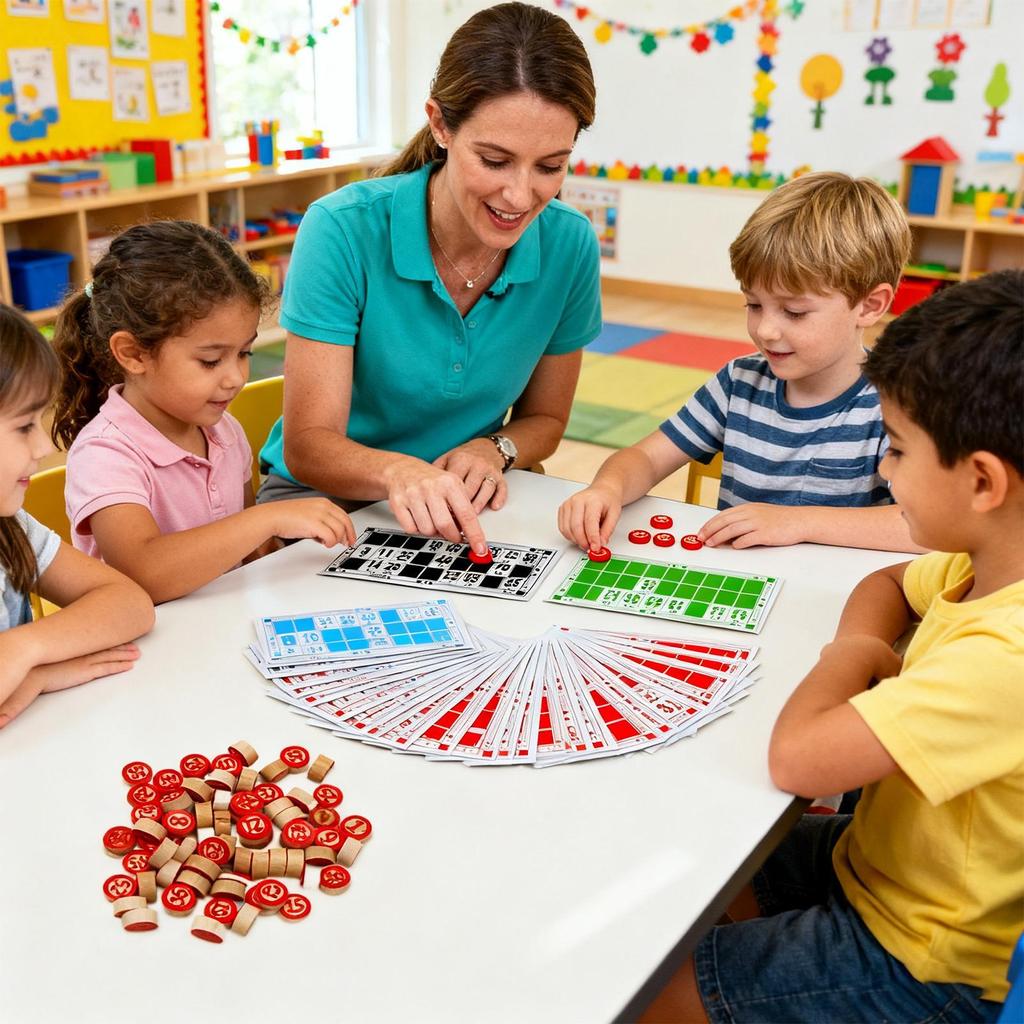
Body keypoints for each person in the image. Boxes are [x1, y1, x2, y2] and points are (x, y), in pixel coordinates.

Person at [639, 270, 1024, 1024]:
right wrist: (865, 640)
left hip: (916, 959)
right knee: (694, 857)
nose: (883, 470)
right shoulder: (986, 562)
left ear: (982, 482)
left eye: (899, 451)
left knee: (637, 993)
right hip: (875, 860)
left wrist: (847, 660)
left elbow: (799, 760)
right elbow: (890, 581)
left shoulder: (1005, 655)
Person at [257, 2, 602, 556]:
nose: (520, 196)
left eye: (549, 166)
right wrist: (401, 473)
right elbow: (308, 446)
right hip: (327, 501)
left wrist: (496, 449)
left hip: (471, 499)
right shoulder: (342, 229)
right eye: (494, 160)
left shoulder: (570, 243)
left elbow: (546, 419)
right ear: (440, 124)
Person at [559, 172, 919, 554]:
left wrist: (798, 521)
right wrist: (607, 488)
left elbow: (925, 528)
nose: (765, 330)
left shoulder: (898, 405)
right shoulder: (738, 383)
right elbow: (646, 457)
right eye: (754, 304)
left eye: (794, 312)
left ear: (869, 306)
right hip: (735, 578)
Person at [51, 221, 354, 604]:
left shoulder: (224, 431)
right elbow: (145, 574)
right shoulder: (106, 454)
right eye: (211, 361)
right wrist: (265, 519)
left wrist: (272, 548)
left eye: (244, 353)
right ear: (133, 353)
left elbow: (247, 551)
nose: (236, 378)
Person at [0, 305, 154, 728]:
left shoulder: (10, 528)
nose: (43, 447)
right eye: (24, 426)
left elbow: (131, 604)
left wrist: (26, 653)